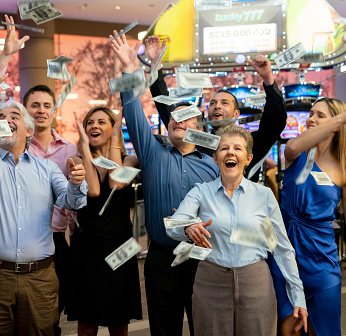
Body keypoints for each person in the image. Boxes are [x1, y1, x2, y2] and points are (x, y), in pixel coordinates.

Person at [0, 57, 88, 335]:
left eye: (15, 116)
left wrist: (78, 183)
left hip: (40, 278)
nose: (7, 120)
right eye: (1, 118)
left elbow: (72, 201)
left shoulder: (48, 168)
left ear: (28, 130)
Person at [110, 31, 219, 336]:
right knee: (163, 330)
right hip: (161, 260)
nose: (178, 120)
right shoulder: (153, 154)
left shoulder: (212, 166)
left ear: (197, 126)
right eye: (172, 115)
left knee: (205, 327)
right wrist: (130, 70)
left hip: (201, 258)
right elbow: (132, 109)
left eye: (186, 117)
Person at [166, 125, 308, 336]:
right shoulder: (201, 192)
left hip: (255, 283)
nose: (230, 152)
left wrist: (298, 296)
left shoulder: (264, 196)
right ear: (215, 158)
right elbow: (174, 225)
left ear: (248, 158)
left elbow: (281, 248)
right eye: (224, 148)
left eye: (237, 148)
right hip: (210, 282)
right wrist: (188, 226)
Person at [268, 98, 346, 336]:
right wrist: (342, 118)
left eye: (319, 115)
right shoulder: (296, 153)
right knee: (288, 328)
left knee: (323, 330)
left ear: (336, 126)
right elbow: (294, 146)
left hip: (322, 261)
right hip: (284, 255)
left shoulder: (345, 169)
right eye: (310, 113)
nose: (310, 119)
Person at [145, 36, 287, 181]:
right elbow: (168, 111)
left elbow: (275, 121)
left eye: (224, 103)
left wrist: (268, 78)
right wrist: (156, 64)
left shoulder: (249, 142)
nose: (217, 106)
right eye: (212, 103)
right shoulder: (197, 140)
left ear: (236, 113)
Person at [66, 107, 142, 335]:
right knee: (87, 320)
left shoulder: (130, 160)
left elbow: (115, 183)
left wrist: (117, 139)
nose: (94, 126)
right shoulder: (75, 159)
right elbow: (94, 190)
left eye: (102, 122)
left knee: (119, 319)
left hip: (121, 245)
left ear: (113, 128)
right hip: (88, 246)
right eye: (90, 122)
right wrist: (86, 152)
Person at [23, 85, 78, 336]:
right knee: (24, 311)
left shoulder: (69, 150)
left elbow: (75, 197)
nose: (41, 111)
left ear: (54, 111)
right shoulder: (16, 149)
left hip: (57, 242)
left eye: (47, 106)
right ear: (25, 110)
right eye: (35, 105)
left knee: (52, 311)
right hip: (23, 239)